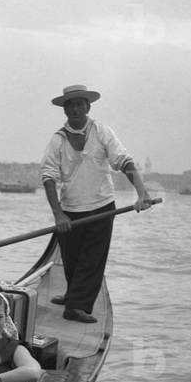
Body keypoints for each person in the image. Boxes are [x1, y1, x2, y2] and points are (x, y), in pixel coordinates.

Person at [40, 85, 155, 324]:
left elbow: (124, 161)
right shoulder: (57, 140)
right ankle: (73, 295)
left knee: (92, 259)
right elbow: (48, 177)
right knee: (72, 258)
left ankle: (76, 307)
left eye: (79, 104)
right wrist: (58, 214)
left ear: (88, 107)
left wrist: (142, 193)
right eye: (69, 105)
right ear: (64, 110)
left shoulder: (102, 132)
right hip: (70, 209)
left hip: (102, 206)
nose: (74, 109)